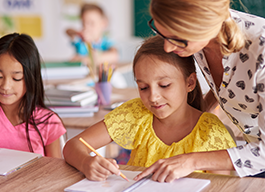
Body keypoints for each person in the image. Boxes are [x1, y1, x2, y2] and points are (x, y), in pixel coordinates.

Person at [63, 35, 236, 181]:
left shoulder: (211, 132)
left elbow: (220, 187)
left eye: (165, 85)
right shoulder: (135, 113)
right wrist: (86, 163)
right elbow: (72, 146)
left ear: (189, 83)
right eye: (143, 88)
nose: (153, 97)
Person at [134, 0, 265, 182]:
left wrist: (190, 161)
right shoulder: (200, 41)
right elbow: (229, 85)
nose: (168, 47)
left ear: (204, 27)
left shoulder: (262, 51)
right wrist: (198, 114)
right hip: (252, 156)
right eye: (161, 32)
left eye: (178, 39)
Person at [0, 33, 66, 158]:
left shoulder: (48, 123)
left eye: (16, 78)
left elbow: (55, 173)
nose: (5, 86)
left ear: (30, 78)